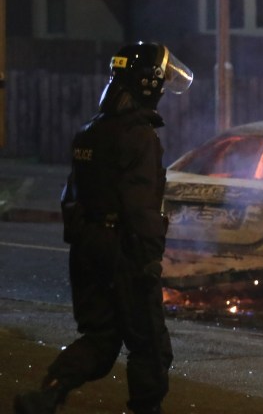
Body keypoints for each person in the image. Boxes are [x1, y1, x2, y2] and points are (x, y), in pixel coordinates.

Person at [14, 42, 193, 414]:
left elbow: (71, 196)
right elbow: (140, 206)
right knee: (150, 346)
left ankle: (48, 393)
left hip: (88, 249)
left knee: (100, 338)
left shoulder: (90, 133)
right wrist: (147, 262)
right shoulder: (140, 135)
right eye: (160, 82)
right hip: (125, 251)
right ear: (147, 83)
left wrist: (86, 241)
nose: (162, 90)